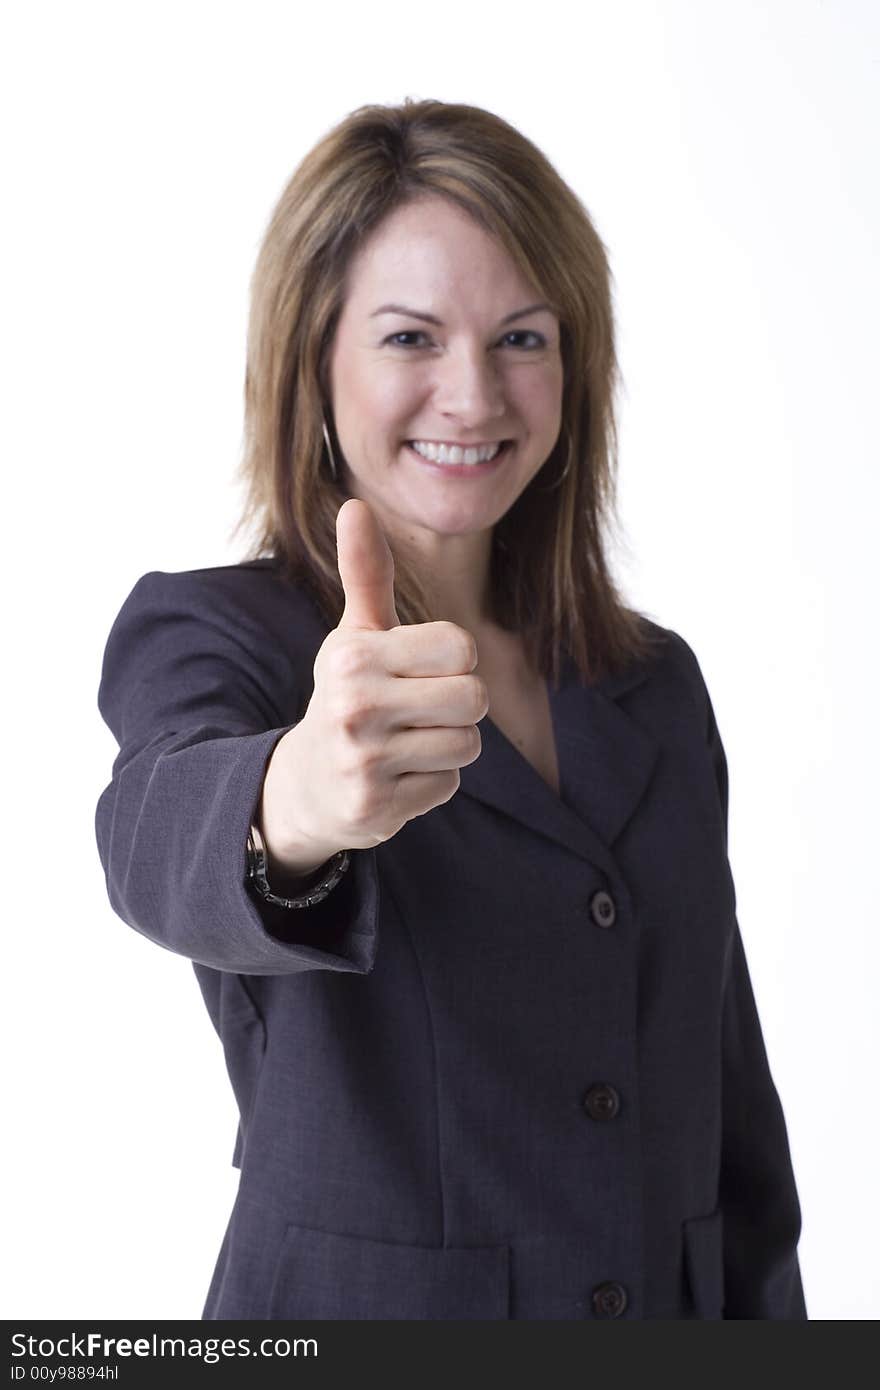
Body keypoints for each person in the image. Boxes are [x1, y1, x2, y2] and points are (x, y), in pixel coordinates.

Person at [94, 98, 807, 1320]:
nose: (472, 395)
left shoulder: (653, 682)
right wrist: (297, 798)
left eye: (521, 337)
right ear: (313, 360)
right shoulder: (218, 633)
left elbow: (724, 1098)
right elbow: (155, 833)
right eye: (411, 337)